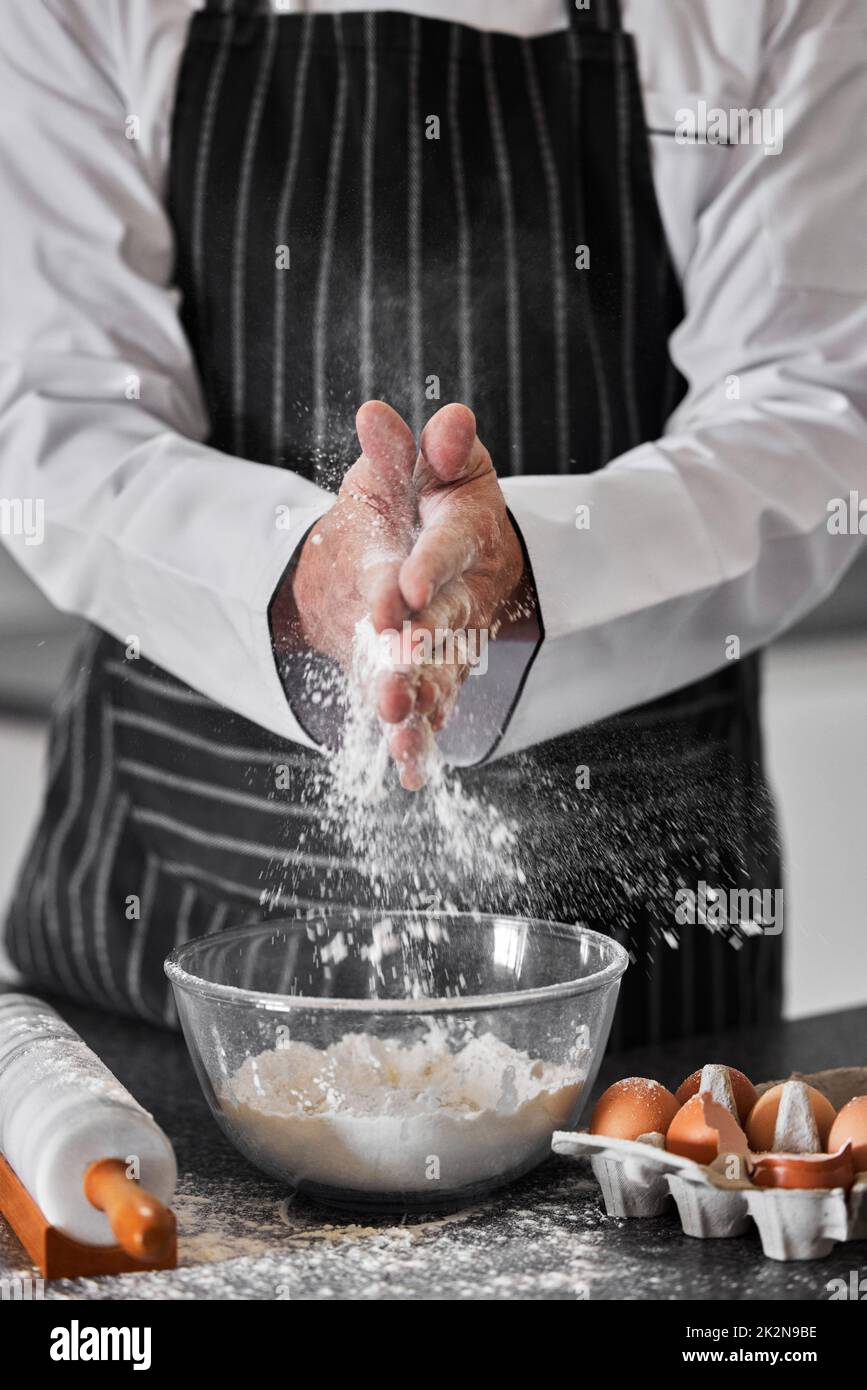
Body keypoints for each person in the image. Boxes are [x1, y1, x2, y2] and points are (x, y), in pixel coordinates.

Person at [0, 0, 864, 1047]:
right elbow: (57, 410)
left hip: (641, 990)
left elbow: (815, 413)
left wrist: (536, 564)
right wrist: (301, 574)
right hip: (165, 936)